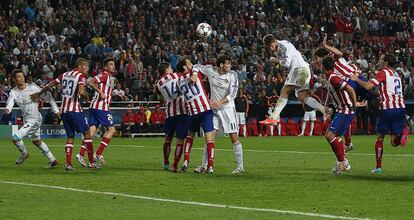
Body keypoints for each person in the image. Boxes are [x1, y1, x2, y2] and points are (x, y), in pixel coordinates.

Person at [31, 58, 104, 171]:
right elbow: (81, 91)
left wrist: (39, 93)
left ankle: (69, 164)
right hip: (74, 110)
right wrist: (86, 96)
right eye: (86, 66)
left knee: (70, 136)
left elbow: (50, 85)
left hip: (64, 111)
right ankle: (91, 163)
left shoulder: (64, 74)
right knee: (87, 134)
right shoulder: (80, 76)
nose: (87, 69)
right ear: (80, 66)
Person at [350, 54, 408, 174]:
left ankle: (378, 167)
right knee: (393, 142)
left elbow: (368, 86)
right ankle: (401, 132)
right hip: (400, 108)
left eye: (381, 59)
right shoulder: (397, 74)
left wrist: (356, 79)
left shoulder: (383, 72)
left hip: (387, 109)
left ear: (386, 62)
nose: (379, 61)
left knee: (380, 136)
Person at [192, 55, 245, 175]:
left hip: (227, 109)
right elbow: (196, 66)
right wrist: (195, 74)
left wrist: (219, 102)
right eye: (228, 64)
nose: (230, 66)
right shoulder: (210, 70)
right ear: (221, 65)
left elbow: (233, 94)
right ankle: (205, 165)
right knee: (209, 137)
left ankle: (240, 166)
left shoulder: (232, 75)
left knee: (233, 137)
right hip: (214, 110)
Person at [260, 34, 326, 126]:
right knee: (302, 97)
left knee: (285, 91)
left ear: (275, 41)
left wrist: (275, 60)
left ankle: (273, 117)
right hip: (304, 68)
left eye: (272, 46)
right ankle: (325, 110)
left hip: (298, 68)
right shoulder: (282, 45)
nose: (271, 49)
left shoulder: (282, 48)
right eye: (269, 47)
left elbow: (287, 63)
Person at [4, 69, 59, 168]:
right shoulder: (13, 91)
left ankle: (24, 154)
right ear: (14, 79)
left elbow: (49, 96)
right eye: (19, 77)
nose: (21, 78)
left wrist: (56, 110)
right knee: (36, 141)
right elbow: (10, 101)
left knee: (15, 138)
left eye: (22, 76)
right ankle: (53, 160)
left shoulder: (33, 88)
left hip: (35, 119)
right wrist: (8, 109)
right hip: (27, 119)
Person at [321, 56, 366, 175]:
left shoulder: (333, 78)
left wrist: (355, 102)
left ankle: (343, 162)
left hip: (346, 109)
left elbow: (350, 88)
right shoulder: (328, 77)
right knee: (333, 136)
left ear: (323, 67)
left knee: (330, 135)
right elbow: (331, 92)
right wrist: (326, 105)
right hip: (341, 109)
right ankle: (341, 162)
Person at [176, 57, 216, 174]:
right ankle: (210, 166)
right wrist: (194, 71)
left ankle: (186, 160)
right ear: (185, 67)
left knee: (190, 136)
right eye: (188, 62)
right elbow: (197, 67)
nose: (191, 63)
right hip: (204, 110)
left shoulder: (179, 82)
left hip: (193, 112)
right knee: (209, 138)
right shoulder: (195, 74)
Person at [76, 58, 117, 167]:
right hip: (101, 107)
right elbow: (90, 82)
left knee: (91, 133)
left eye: (113, 64)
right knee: (112, 130)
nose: (113, 66)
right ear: (105, 67)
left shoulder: (110, 78)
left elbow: (106, 89)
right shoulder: (105, 75)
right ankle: (98, 153)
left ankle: (80, 154)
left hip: (94, 107)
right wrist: (100, 92)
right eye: (110, 64)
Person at [155, 62, 188, 172]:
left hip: (169, 113)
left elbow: (160, 95)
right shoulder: (176, 75)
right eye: (170, 67)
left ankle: (165, 162)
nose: (172, 69)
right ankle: (174, 165)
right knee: (180, 140)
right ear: (167, 69)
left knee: (168, 139)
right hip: (182, 112)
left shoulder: (158, 84)